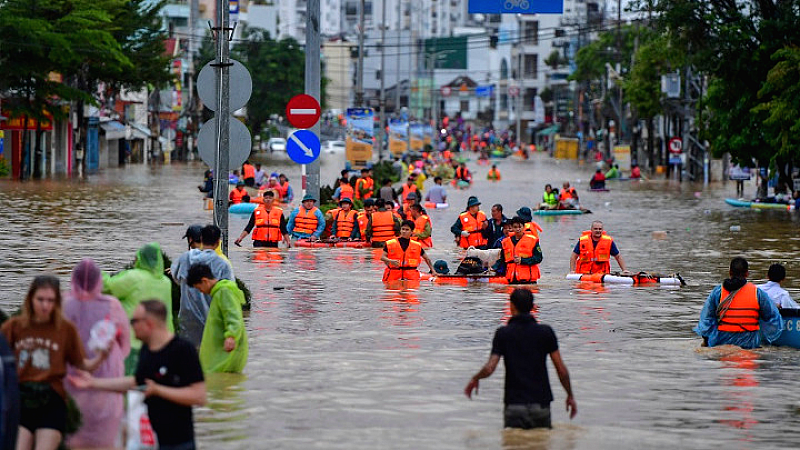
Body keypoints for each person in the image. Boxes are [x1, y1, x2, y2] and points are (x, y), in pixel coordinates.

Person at [70, 300, 206, 450]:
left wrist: (159, 390)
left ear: (149, 324)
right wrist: (93, 383)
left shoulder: (183, 350)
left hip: (180, 443)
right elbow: (136, 382)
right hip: (152, 441)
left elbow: (199, 396)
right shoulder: (147, 349)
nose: (131, 326)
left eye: (134, 321)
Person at [3, 276, 108, 450]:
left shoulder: (65, 329)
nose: (45, 306)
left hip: (51, 398)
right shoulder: (14, 326)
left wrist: (101, 356)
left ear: (57, 302)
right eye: (40, 299)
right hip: (21, 398)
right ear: (30, 299)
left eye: (50, 300)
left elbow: (82, 365)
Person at [464, 289, 577, 429]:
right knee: (542, 439)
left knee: (513, 440)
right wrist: (570, 395)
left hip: (514, 405)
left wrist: (475, 378)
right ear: (533, 307)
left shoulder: (503, 334)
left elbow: (489, 368)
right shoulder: (545, 332)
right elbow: (561, 370)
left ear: (511, 306)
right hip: (541, 404)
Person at [64, 259, 130, 449]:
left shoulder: (64, 303)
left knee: (73, 431)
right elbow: (125, 343)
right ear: (99, 281)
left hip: (71, 373)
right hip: (106, 373)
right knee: (105, 431)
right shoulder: (112, 305)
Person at [103, 242, 173, 374]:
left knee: (130, 379)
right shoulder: (166, 282)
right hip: (163, 342)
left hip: (134, 340)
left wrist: (98, 274)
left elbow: (108, 287)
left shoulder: (133, 277)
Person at [695, 257, 783, 349]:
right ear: (747, 274)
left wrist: (706, 341)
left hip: (721, 344)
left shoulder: (717, 292)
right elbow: (774, 319)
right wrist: (765, 338)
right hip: (749, 346)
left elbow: (706, 320)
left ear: (730, 273)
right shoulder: (758, 294)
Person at [173, 225, 234, 348]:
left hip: (187, 320)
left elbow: (176, 277)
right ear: (218, 243)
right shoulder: (223, 265)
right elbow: (230, 296)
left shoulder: (185, 258)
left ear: (201, 238)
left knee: (188, 355)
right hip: (210, 322)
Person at [187, 264, 248, 373]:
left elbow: (233, 316)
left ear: (205, 281)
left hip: (226, 350)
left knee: (221, 379)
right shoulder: (219, 293)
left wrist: (231, 336)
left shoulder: (224, 292)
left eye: (199, 288)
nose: (201, 291)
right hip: (221, 350)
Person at [501, 217, 543, 283]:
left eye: (520, 227)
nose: (518, 229)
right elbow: (502, 260)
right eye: (515, 227)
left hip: (528, 281)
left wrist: (522, 260)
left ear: (524, 227)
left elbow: (539, 258)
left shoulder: (533, 240)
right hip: (511, 280)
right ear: (511, 228)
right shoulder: (505, 242)